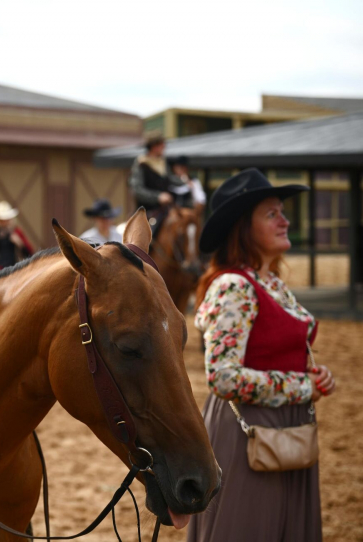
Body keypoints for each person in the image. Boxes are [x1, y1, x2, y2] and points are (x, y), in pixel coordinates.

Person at [187, 169, 336, 542]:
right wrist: (302, 387)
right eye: (272, 214)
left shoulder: (272, 283)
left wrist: (316, 376)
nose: (285, 220)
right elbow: (222, 376)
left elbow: (277, 351)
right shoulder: (235, 286)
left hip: (287, 431)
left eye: (282, 212)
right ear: (243, 227)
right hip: (248, 435)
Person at [128, 134, 187, 212]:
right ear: (154, 147)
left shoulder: (162, 162)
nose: (164, 147)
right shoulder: (141, 164)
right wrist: (158, 197)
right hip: (147, 211)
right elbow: (137, 190)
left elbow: (169, 179)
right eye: (161, 145)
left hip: (165, 209)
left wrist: (184, 182)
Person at [0, 201, 34, 272]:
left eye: (7, 219)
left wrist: (20, 243)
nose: (5, 221)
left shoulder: (15, 231)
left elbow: (29, 252)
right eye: (2, 219)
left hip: (12, 268)